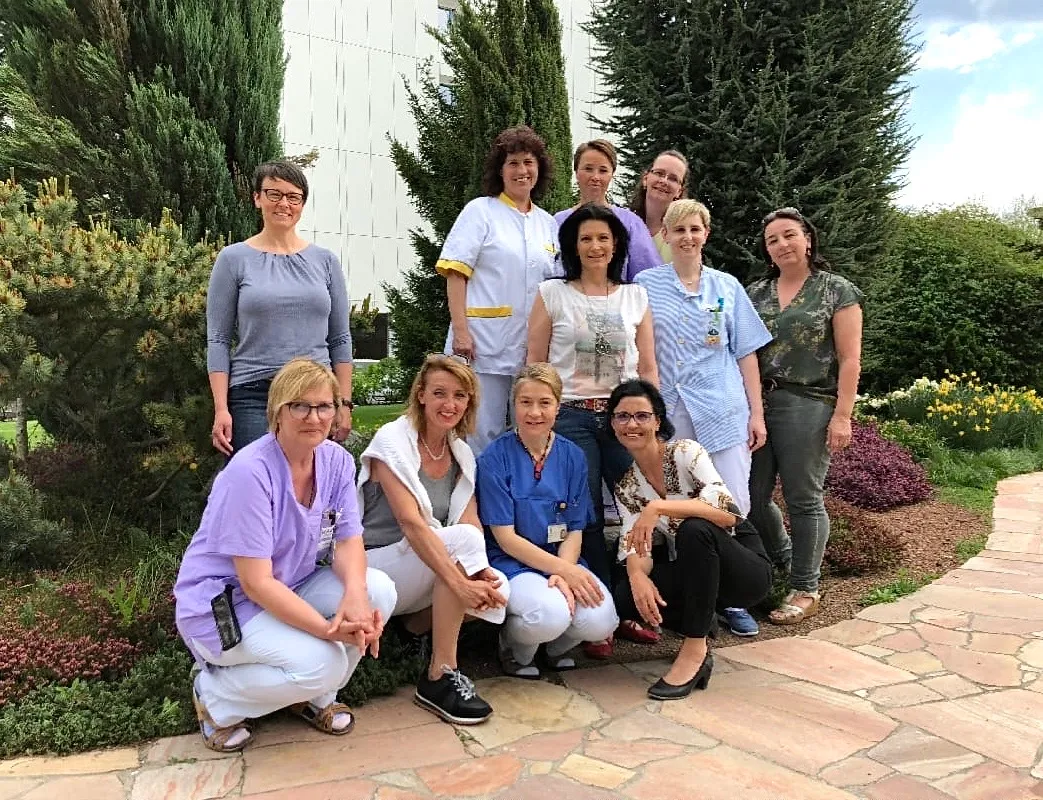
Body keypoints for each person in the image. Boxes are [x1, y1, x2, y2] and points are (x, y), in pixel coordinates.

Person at [174, 359, 396, 752]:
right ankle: (215, 697)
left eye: (324, 406)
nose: (314, 417)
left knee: (378, 591)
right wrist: (327, 631)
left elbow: (348, 541)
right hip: (224, 604)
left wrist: (356, 599)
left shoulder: (336, 462)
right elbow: (256, 583)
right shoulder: (250, 472)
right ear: (277, 410)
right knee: (325, 662)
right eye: (300, 406)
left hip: (292, 583)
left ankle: (312, 696)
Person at [635, 199, 772, 637]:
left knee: (731, 500)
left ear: (705, 234)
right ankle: (695, 599)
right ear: (666, 236)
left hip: (723, 410)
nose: (687, 237)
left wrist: (757, 413)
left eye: (695, 229)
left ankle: (732, 599)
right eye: (678, 230)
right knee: (677, 505)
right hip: (671, 412)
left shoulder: (726, 286)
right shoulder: (646, 285)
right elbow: (638, 349)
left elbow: (746, 353)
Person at [527, 202, 659, 659]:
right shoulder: (552, 294)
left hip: (627, 420)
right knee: (586, 518)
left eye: (603, 237)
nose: (595, 246)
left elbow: (648, 367)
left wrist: (654, 420)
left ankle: (630, 605)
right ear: (573, 245)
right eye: (586, 238)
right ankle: (599, 613)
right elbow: (536, 365)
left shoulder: (636, 297)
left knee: (637, 509)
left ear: (617, 244)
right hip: (571, 417)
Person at [357, 354, 508, 724]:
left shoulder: (460, 453)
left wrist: (479, 575)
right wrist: (461, 583)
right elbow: (411, 523)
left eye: (460, 395)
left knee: (500, 586)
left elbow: (469, 521)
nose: (449, 404)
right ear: (421, 395)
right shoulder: (392, 441)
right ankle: (440, 676)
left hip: (418, 565)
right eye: (440, 393)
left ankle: (412, 631)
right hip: (374, 566)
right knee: (464, 549)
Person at [608, 380, 773, 700]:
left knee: (694, 529)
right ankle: (702, 621)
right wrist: (637, 576)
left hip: (743, 567)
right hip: (700, 571)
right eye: (622, 416)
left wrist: (658, 507)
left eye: (642, 416)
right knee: (627, 595)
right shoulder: (628, 486)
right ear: (613, 424)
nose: (632, 424)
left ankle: (695, 648)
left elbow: (728, 514)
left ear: (658, 421)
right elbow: (636, 543)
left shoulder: (685, 452)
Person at [746, 207, 864, 625]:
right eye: (773, 239)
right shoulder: (755, 293)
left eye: (789, 235)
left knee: (803, 498)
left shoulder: (836, 290)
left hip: (808, 403)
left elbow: (850, 359)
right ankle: (783, 556)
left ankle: (804, 586)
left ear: (808, 240)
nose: (781, 244)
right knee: (751, 496)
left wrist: (843, 415)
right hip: (757, 404)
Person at [477, 364, 619, 678]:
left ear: (558, 406)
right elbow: (505, 538)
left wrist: (564, 571)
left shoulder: (573, 456)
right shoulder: (494, 459)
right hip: (512, 562)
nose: (534, 412)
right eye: (525, 402)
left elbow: (575, 527)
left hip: (562, 556)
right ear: (514, 405)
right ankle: (515, 649)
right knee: (548, 615)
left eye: (544, 402)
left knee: (602, 621)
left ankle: (555, 650)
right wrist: (565, 572)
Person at [207, 161, 354, 457]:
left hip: (316, 396)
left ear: (302, 204)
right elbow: (218, 339)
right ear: (257, 198)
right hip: (254, 395)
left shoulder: (325, 262)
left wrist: (344, 403)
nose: (284, 204)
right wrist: (221, 408)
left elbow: (340, 338)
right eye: (274, 194)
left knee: (312, 480)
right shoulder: (233, 259)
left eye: (293, 197)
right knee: (256, 480)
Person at [437, 125, 562, 456]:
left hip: (529, 349)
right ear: (500, 170)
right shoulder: (481, 211)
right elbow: (455, 273)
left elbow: (554, 289)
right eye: (513, 163)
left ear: (539, 168)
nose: (522, 171)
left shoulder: (548, 224)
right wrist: (461, 332)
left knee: (528, 431)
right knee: (479, 432)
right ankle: (474, 489)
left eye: (528, 162)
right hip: (481, 345)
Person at [553, 139, 662, 280]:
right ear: (576, 171)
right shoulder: (556, 222)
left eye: (603, 170)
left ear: (612, 174)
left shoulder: (631, 224)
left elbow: (649, 277)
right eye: (588, 169)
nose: (595, 177)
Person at [629, 150, 689, 264]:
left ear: (679, 191)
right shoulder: (625, 224)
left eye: (673, 179)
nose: (664, 181)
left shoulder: (683, 236)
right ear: (645, 179)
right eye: (659, 173)